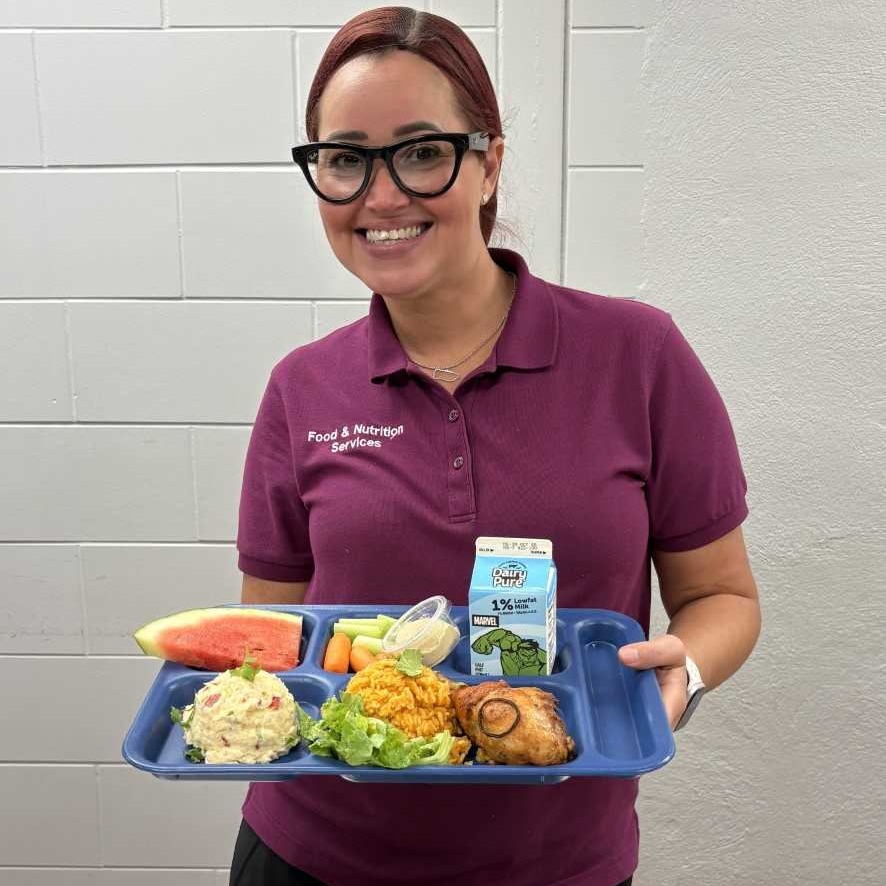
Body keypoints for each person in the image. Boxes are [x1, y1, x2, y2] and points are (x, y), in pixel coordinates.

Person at [232, 7, 761, 886]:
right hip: (316, 856)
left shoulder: (638, 355)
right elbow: (278, 634)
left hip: (557, 863)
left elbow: (723, 596)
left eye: (423, 150)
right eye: (345, 158)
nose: (383, 194)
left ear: (491, 164)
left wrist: (690, 666)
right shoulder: (302, 387)